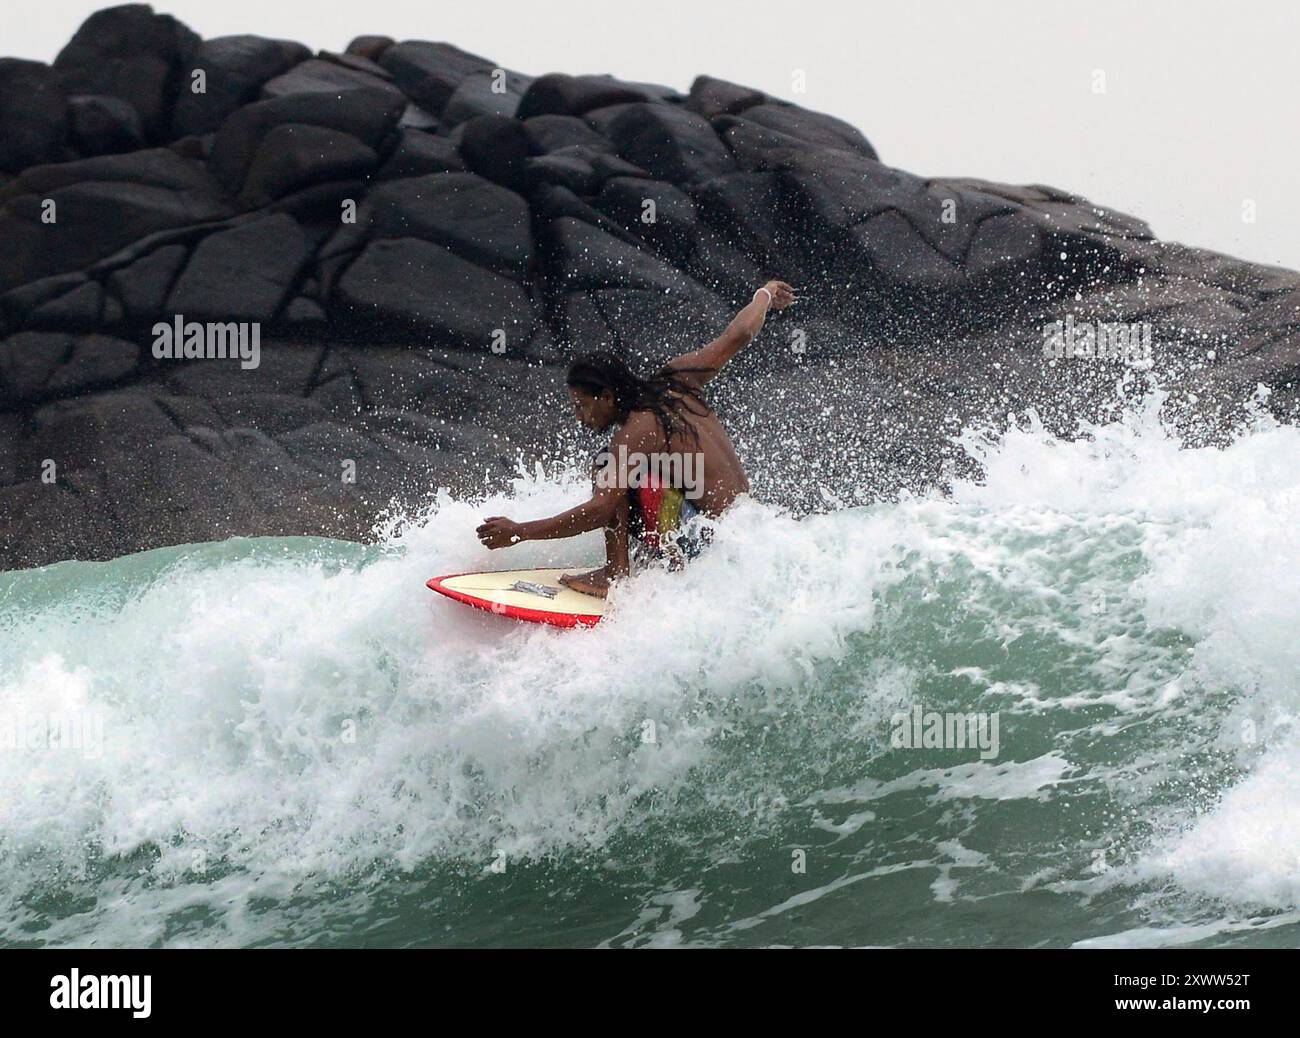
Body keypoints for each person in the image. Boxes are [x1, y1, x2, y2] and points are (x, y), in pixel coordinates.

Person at [476, 280, 797, 596]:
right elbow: (739, 334)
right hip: (750, 532)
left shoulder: (635, 435)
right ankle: (634, 565)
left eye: (581, 406)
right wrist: (765, 294)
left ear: (606, 397)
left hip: (711, 547)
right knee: (633, 471)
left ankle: (614, 575)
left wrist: (520, 532)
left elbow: (599, 510)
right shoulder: (678, 377)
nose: (579, 418)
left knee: (606, 465)